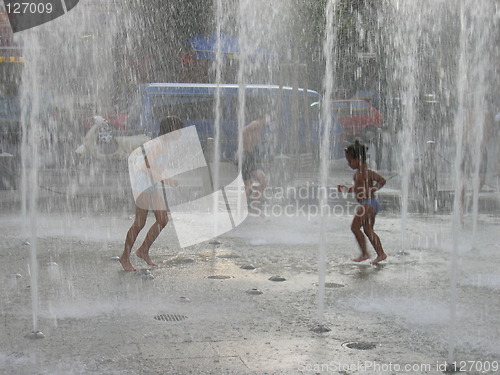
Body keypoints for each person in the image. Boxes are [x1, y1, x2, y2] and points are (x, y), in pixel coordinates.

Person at [119, 116, 184, 272]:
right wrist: (167, 180)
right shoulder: (160, 145)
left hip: (152, 185)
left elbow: (157, 167)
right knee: (139, 223)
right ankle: (125, 257)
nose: (181, 132)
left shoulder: (167, 145)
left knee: (162, 219)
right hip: (142, 185)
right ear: (171, 130)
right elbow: (145, 167)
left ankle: (143, 250)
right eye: (179, 129)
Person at [337, 140, 387, 265]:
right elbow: (357, 188)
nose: (349, 164)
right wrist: (347, 189)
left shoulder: (367, 172)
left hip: (368, 204)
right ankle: (380, 254)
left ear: (359, 159)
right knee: (368, 229)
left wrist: (373, 188)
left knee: (355, 227)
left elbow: (382, 180)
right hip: (369, 204)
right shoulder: (357, 174)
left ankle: (365, 253)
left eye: (350, 161)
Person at [241, 115, 270, 213]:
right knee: (250, 188)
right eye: (267, 118)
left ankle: (255, 206)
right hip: (245, 156)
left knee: (263, 181)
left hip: (249, 156)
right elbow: (243, 131)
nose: (268, 120)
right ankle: (240, 208)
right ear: (263, 118)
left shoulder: (259, 127)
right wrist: (245, 142)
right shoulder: (256, 124)